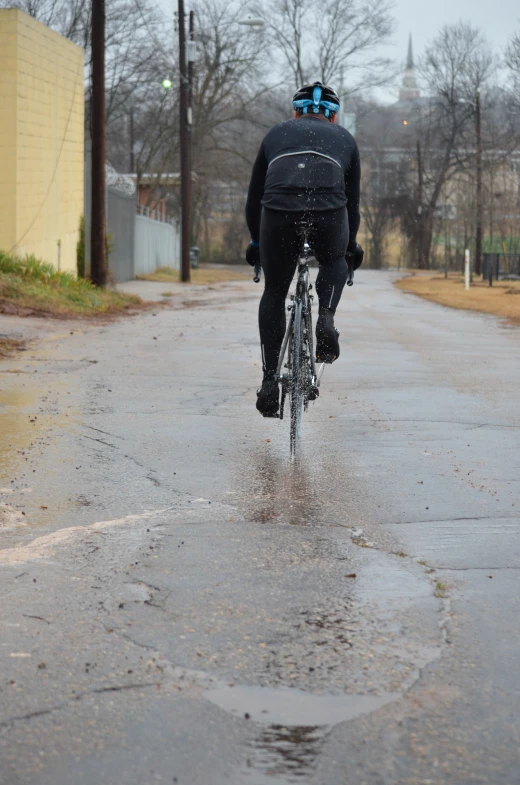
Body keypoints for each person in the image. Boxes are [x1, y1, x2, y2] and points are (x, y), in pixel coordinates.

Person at [244, 81, 364, 417]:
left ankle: (269, 382)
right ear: (334, 118)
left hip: (278, 210)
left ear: (295, 112)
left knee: (274, 292)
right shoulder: (345, 139)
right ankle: (325, 320)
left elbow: (254, 198)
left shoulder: (276, 133)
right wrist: (349, 246)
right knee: (333, 260)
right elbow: (352, 204)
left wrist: (256, 241)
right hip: (328, 210)